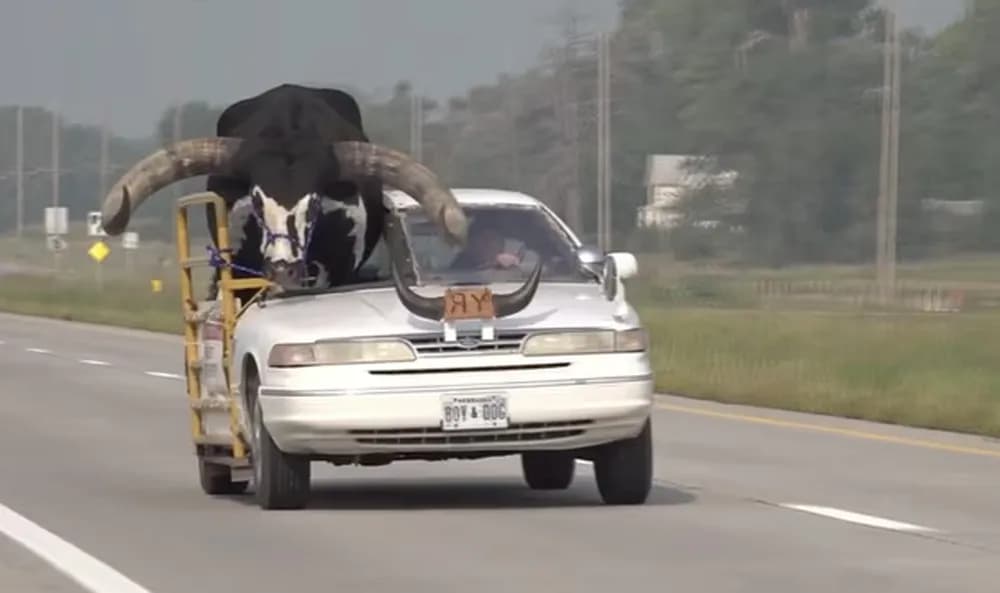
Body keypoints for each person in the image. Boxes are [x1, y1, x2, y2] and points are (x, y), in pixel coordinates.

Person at [448, 221, 522, 271]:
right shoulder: (461, 267)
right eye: (485, 239)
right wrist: (493, 263)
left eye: (494, 239)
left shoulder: (511, 264)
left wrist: (514, 265)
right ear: (472, 244)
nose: (490, 244)